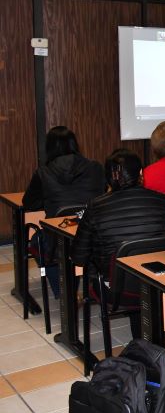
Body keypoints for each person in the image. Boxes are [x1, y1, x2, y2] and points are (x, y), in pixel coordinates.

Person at [71, 149, 165, 318]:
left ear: (108, 178)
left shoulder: (95, 206)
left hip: (118, 291)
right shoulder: (163, 201)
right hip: (160, 283)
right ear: (141, 173)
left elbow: (78, 257)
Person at [23, 126, 106, 297]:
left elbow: (29, 203)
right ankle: (91, 285)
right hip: (92, 238)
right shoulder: (95, 167)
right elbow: (102, 194)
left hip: (58, 241)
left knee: (36, 241)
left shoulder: (43, 172)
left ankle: (64, 293)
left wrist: (48, 199)